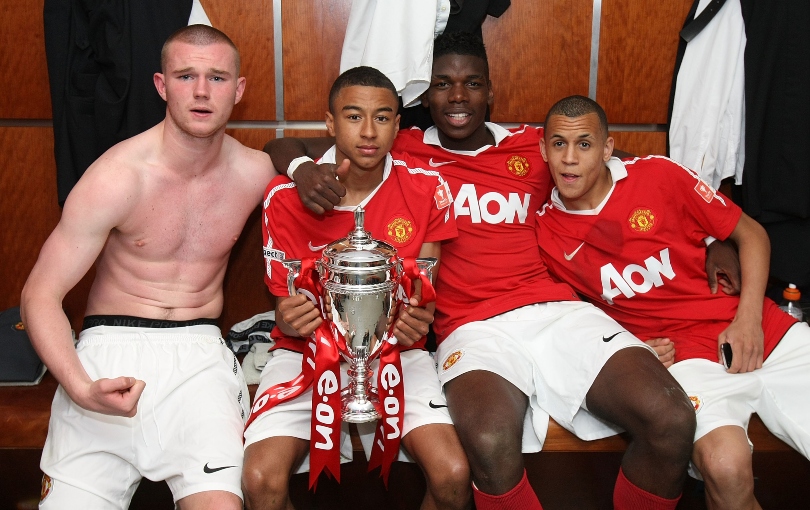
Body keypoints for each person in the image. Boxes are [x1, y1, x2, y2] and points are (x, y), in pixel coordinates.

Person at [265, 32, 707, 510]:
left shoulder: (533, 147)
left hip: (555, 310)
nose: (457, 97)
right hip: (470, 327)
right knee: (490, 442)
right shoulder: (400, 146)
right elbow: (283, 143)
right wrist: (302, 169)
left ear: (491, 91)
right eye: (442, 84)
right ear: (422, 96)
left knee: (672, 419)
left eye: (472, 83)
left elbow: (616, 168)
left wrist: (719, 237)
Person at [21, 25, 279, 510]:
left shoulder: (254, 174)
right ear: (161, 86)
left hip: (198, 356)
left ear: (239, 91)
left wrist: (303, 165)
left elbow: (312, 180)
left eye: (218, 78)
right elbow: (40, 294)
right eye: (186, 76)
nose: (202, 92)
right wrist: (79, 387)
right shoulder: (116, 176)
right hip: (106, 354)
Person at [535, 95, 810, 510]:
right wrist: (631, 352)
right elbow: (569, 324)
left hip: (759, 329)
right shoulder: (544, 234)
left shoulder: (659, 176)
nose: (570, 159)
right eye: (559, 144)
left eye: (585, 144)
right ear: (543, 150)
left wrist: (749, 319)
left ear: (607, 149)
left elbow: (751, 235)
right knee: (725, 466)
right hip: (683, 359)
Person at [242, 66, 471, 510]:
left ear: (398, 125)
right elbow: (286, 306)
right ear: (330, 124)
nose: (369, 132)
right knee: (259, 481)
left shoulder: (427, 189)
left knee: (454, 476)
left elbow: (422, 296)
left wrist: (415, 321)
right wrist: (289, 317)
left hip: (394, 355)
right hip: (305, 352)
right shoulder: (285, 196)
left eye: (383, 118)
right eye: (353, 117)